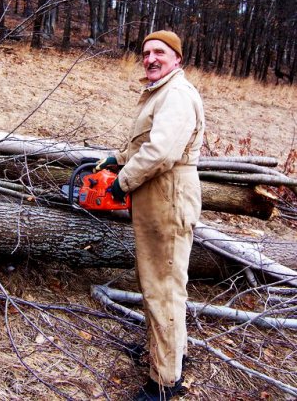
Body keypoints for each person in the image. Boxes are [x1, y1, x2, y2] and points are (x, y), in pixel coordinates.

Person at [96, 30, 205, 401]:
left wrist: (120, 182)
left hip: (168, 194)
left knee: (163, 286)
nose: (151, 58)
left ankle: (165, 381)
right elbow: (147, 143)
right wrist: (118, 158)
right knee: (160, 280)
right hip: (159, 193)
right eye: (145, 52)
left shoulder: (175, 94)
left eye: (159, 52)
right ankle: (167, 353)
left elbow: (161, 153)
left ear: (176, 57)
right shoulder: (161, 92)